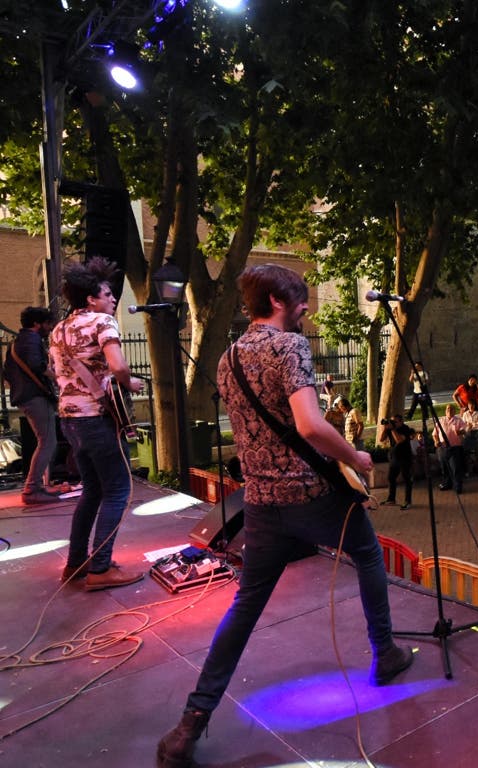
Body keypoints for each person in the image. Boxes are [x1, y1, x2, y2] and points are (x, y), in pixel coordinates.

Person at [157, 264, 412, 768]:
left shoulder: (230, 356)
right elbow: (309, 425)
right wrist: (357, 458)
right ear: (275, 300)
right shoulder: (289, 348)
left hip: (261, 505)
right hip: (312, 495)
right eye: (299, 300)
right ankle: (384, 653)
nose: (305, 308)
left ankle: (191, 723)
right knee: (366, 554)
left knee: (245, 608)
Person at [48, 259, 145, 590]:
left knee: (92, 490)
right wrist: (129, 383)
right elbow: (118, 366)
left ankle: (75, 564)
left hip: (69, 419)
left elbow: (54, 372)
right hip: (96, 419)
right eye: (107, 292)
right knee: (118, 489)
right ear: (91, 298)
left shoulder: (58, 330)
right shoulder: (103, 321)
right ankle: (101, 569)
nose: (113, 298)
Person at [4, 306, 59, 504]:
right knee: (48, 442)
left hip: (26, 397)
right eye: (47, 323)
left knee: (44, 441)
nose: (50, 327)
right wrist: (58, 376)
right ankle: (32, 489)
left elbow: (7, 373)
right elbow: (37, 365)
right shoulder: (31, 339)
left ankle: (39, 486)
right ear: (37, 324)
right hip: (35, 397)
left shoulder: (18, 342)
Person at [379, 413, 414, 509]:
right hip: (394, 458)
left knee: (407, 479)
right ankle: (391, 499)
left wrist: (393, 428)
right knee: (391, 478)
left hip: (405, 458)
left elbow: (399, 440)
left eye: (395, 422)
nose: (393, 423)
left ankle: (408, 502)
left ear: (401, 422)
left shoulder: (405, 429)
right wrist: (386, 428)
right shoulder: (390, 429)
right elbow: (381, 439)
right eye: (392, 421)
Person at [433, 403, 466, 493]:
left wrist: (459, 432)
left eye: (451, 409)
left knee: (455, 468)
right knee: (444, 468)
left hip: (455, 448)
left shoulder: (459, 420)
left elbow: (464, 430)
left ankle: (458, 486)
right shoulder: (441, 420)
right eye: (448, 409)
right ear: (445, 411)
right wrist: (436, 441)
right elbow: (435, 434)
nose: (449, 410)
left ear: (454, 411)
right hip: (442, 448)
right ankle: (447, 484)